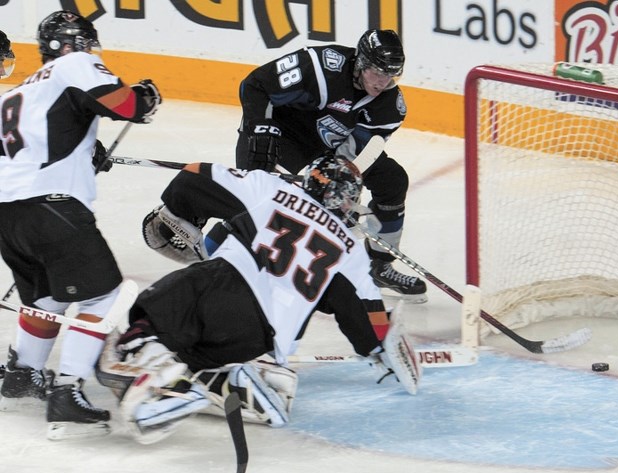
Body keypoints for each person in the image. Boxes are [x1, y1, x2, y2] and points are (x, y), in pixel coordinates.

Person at [96, 155, 421, 443]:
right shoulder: (351, 252)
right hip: (263, 340)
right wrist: (383, 345)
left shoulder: (272, 189)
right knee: (195, 356)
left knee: (151, 315)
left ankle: (160, 380)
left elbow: (192, 176)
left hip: (223, 285)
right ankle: (225, 381)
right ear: (347, 201)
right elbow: (370, 332)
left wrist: (185, 219)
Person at [0, 10, 162, 440]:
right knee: (105, 294)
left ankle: (23, 374)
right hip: (50, 206)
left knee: (48, 295)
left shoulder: (19, 92)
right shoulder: (73, 64)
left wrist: (83, 153)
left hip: (8, 214)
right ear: (74, 43)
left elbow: (37, 142)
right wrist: (145, 96)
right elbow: (125, 104)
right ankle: (68, 392)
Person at [207, 29, 427, 303]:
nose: (382, 82)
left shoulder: (390, 106)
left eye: (390, 74)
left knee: (392, 180)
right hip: (280, 134)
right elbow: (255, 85)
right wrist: (260, 128)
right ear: (360, 62)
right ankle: (211, 257)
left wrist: (341, 182)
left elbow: (359, 149)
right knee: (256, 200)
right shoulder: (322, 67)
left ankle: (379, 265)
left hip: (327, 148)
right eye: (377, 72)